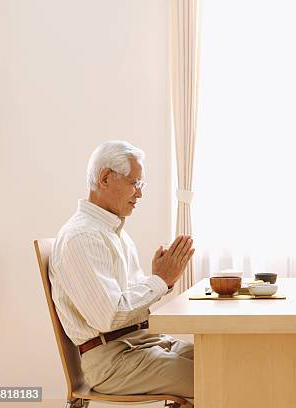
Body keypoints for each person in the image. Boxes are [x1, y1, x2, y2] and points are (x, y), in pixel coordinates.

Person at [49, 141, 195, 403]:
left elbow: (128, 304)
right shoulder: (82, 237)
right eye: (135, 183)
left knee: (223, 360)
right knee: (215, 376)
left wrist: (163, 280)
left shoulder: (114, 233)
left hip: (141, 343)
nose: (139, 194)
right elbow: (109, 316)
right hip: (113, 360)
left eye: (142, 185)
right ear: (105, 178)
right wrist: (159, 280)